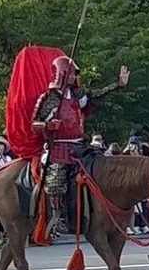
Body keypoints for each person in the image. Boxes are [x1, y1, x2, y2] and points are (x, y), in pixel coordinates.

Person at [32, 56, 130, 230]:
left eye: (74, 74)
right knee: (56, 181)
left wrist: (117, 85)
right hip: (59, 146)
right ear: (61, 74)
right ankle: (57, 214)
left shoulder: (78, 94)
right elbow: (35, 123)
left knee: (99, 172)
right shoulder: (50, 98)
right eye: (70, 73)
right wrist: (48, 124)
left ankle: (93, 212)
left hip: (79, 145)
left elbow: (97, 94)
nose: (73, 77)